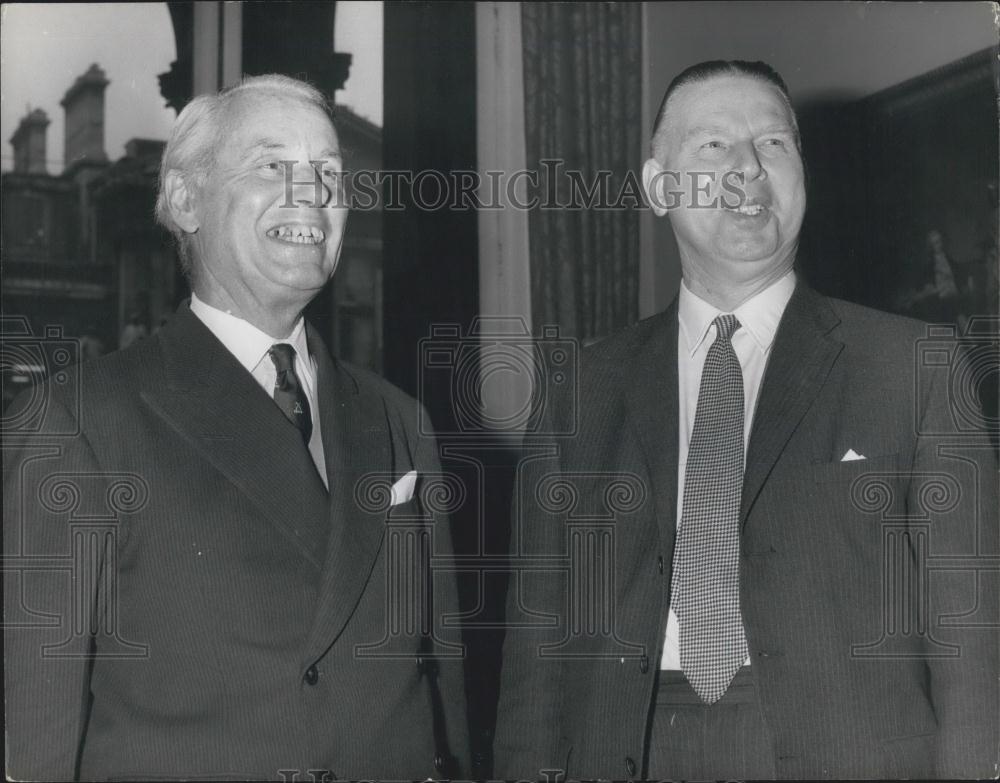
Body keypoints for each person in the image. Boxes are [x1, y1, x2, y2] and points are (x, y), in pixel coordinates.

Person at [493, 60, 998, 780]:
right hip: (629, 747)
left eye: (774, 144)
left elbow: (974, 644)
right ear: (658, 186)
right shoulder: (580, 391)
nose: (748, 170)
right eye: (713, 147)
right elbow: (535, 658)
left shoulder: (914, 364)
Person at [4, 74, 467, 781]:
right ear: (186, 200)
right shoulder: (78, 422)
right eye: (272, 165)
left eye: (328, 173)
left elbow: (443, 706)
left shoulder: (400, 419)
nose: (311, 193)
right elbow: (36, 736)